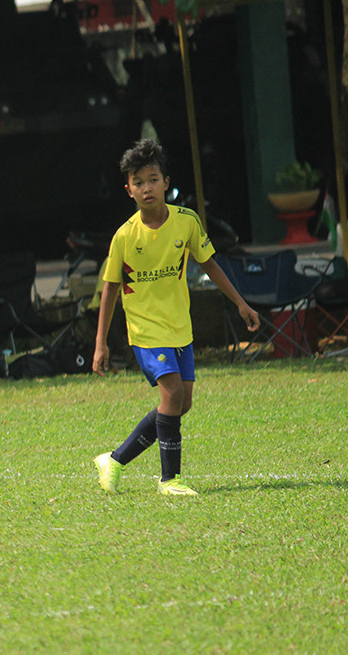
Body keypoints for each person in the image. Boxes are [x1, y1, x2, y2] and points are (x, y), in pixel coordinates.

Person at [92, 139, 260, 496]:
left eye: (153, 179)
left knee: (183, 403)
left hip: (179, 327)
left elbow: (209, 264)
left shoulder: (187, 222)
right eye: (138, 182)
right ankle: (170, 480)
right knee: (171, 394)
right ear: (129, 190)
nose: (146, 187)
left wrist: (241, 304)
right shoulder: (124, 236)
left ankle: (115, 459)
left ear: (166, 182)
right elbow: (109, 290)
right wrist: (100, 343)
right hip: (146, 330)